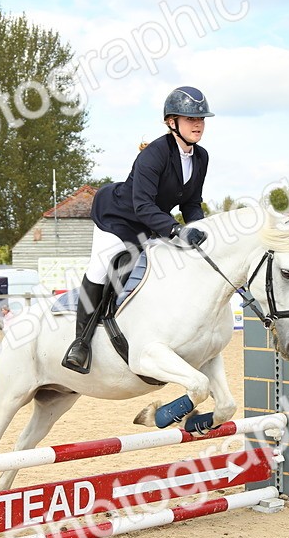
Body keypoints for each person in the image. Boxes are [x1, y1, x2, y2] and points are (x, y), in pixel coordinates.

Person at [62, 85, 213, 373]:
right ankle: (80, 343)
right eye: (191, 119)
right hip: (118, 218)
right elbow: (142, 205)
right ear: (172, 122)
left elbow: (191, 203)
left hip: (152, 223)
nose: (198, 124)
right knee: (100, 267)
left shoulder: (201, 157)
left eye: (201, 119)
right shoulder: (154, 154)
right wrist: (176, 230)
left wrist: (200, 229)